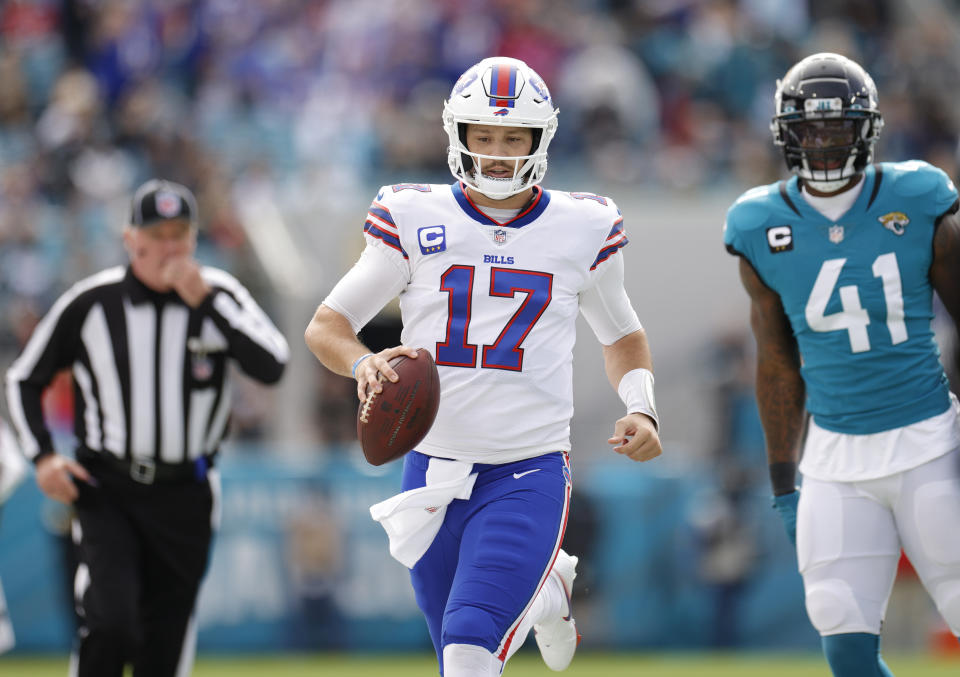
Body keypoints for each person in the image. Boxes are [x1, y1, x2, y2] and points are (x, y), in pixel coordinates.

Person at [305, 56, 661, 677]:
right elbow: (327, 325)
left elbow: (622, 334)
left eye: (513, 137)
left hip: (528, 467)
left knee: (471, 646)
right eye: (485, 136)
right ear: (459, 136)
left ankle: (541, 588)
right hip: (431, 466)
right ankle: (548, 593)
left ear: (539, 140)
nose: (497, 152)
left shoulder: (583, 225)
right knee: (455, 652)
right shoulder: (415, 215)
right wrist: (362, 364)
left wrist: (642, 405)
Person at [724, 52, 960, 676]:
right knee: (840, 627)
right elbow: (776, 363)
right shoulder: (758, 223)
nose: (824, 143)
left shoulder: (918, 196)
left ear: (867, 129)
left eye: (837, 128)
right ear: (786, 135)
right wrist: (782, 487)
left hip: (929, 437)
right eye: (809, 130)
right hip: (832, 456)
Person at [5, 179, 289, 677]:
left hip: (188, 490)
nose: (168, 247)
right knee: (111, 623)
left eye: (179, 234)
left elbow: (272, 365)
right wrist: (44, 455)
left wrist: (206, 302)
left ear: (194, 239)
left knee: (165, 642)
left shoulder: (220, 294)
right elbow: (25, 376)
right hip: (108, 487)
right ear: (130, 239)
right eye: (156, 235)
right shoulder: (92, 302)